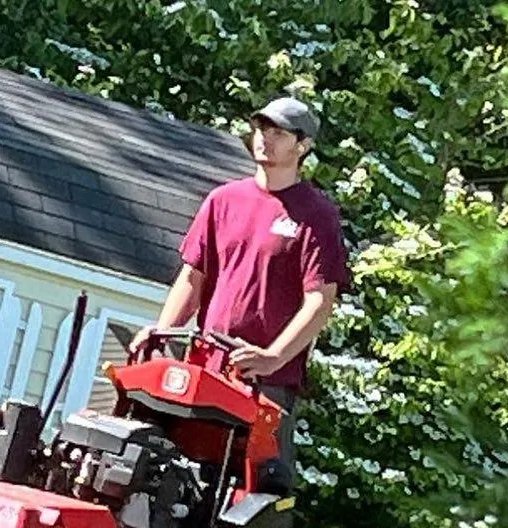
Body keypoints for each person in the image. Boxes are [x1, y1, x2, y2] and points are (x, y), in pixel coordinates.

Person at [130, 96, 351, 471]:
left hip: (265, 384)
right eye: (261, 129)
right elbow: (192, 277)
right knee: (162, 478)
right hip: (204, 370)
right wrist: (162, 333)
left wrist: (273, 358)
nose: (265, 138)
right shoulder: (223, 200)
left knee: (246, 499)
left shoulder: (317, 215)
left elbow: (320, 302)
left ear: (304, 146)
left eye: (278, 132)